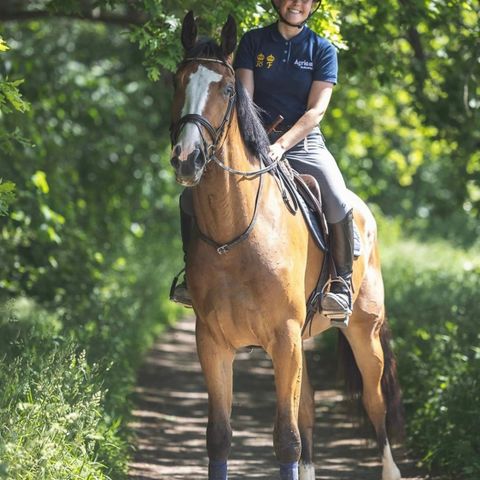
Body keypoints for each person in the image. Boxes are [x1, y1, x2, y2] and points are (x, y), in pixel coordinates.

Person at [171, 0, 354, 323]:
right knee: (189, 197)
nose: (296, 3)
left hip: (303, 144)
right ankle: (191, 275)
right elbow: (244, 99)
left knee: (338, 198)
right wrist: (254, 142)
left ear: (313, 6)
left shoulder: (322, 50)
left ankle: (341, 283)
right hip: (254, 141)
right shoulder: (254, 42)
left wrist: (282, 144)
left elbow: (316, 112)